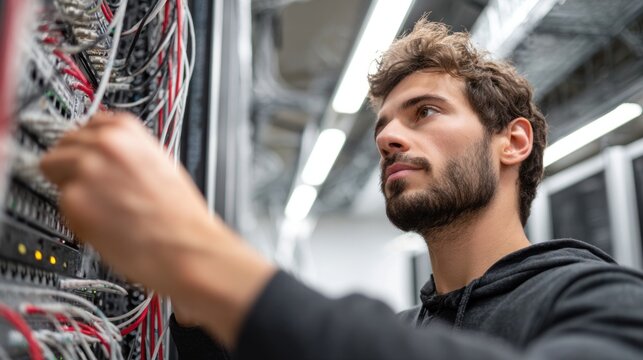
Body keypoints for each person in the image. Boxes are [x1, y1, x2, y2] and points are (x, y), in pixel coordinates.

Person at [40, 19, 643, 359]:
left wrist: (208, 262)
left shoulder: (601, 297)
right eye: (384, 126)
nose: (389, 139)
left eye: (425, 112)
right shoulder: (409, 330)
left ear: (513, 142)